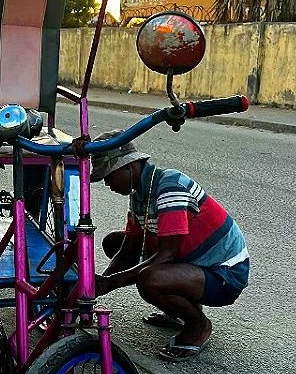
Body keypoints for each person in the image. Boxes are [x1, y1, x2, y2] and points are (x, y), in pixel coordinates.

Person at [92, 133, 249, 362]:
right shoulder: (140, 195)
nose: (107, 183)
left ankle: (198, 325)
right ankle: (180, 310)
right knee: (114, 243)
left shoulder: (169, 187)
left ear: (130, 167)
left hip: (224, 273)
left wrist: (110, 283)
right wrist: (97, 287)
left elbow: (167, 254)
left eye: (109, 176)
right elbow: (128, 249)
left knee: (150, 280)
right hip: (193, 262)